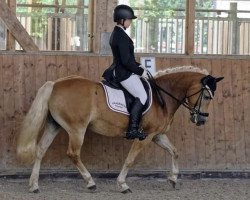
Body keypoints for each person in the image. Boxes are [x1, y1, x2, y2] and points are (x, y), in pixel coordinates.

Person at [103, 4, 148, 141]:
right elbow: (126, 61)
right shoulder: (120, 35)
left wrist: (140, 66)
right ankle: (132, 129)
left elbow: (128, 58)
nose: (130, 22)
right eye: (129, 19)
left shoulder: (119, 33)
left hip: (122, 69)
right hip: (123, 72)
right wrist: (140, 71)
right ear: (122, 20)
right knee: (142, 95)